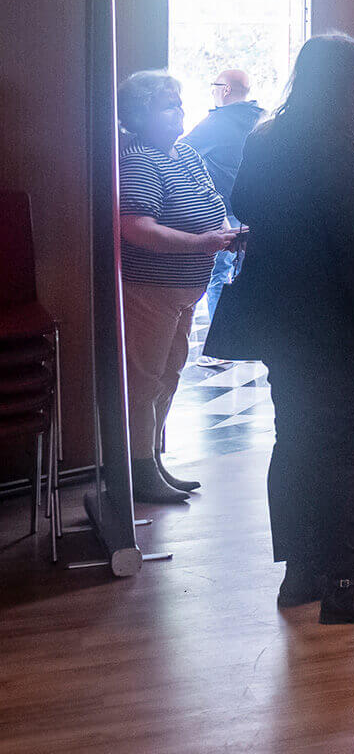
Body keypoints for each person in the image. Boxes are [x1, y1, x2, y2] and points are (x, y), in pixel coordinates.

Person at [203, 33, 354, 624]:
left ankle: (300, 574)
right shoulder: (335, 150)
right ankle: (344, 584)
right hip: (334, 325)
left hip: (282, 323)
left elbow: (243, 202)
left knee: (296, 441)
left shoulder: (268, 137)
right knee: (349, 449)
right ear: (343, 80)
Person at [116, 71, 238, 503]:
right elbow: (135, 227)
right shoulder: (138, 159)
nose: (179, 110)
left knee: (168, 377)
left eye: (179, 102)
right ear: (139, 115)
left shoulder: (185, 153)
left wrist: (227, 235)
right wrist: (201, 242)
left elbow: (212, 204)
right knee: (144, 381)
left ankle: (152, 462)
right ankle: (139, 471)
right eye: (167, 105)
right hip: (149, 289)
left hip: (186, 290)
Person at [181, 68, 264, 333]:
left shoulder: (216, 122)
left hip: (223, 209)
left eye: (214, 86)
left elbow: (179, 150)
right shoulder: (263, 119)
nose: (212, 91)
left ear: (225, 89)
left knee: (218, 275)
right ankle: (248, 339)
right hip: (256, 209)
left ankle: (222, 343)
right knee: (247, 274)